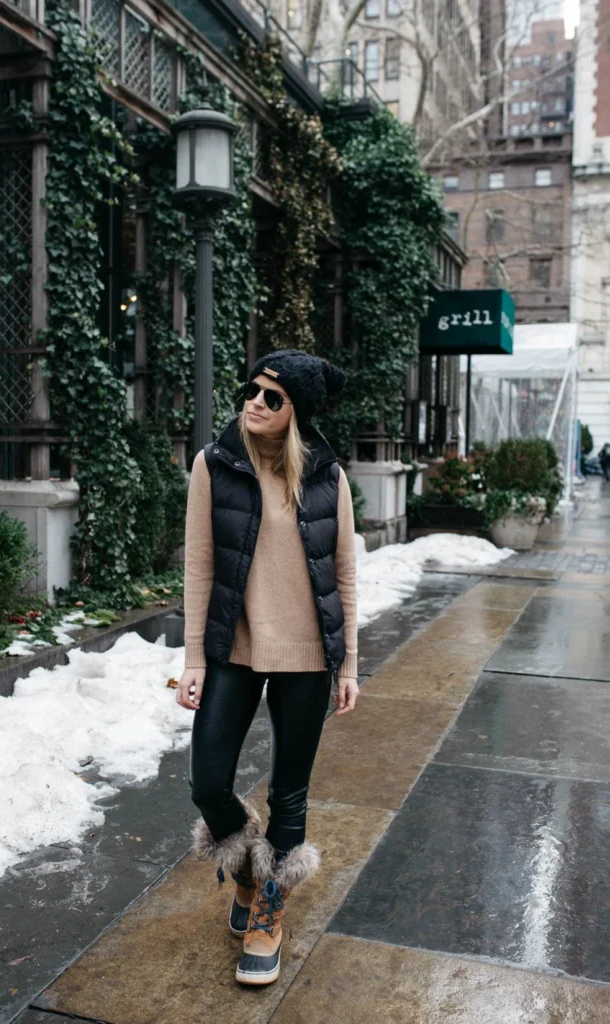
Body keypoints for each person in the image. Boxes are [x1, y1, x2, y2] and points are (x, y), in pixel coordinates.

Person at [176, 349, 359, 987]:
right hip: (235, 645)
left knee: (290, 793)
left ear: (296, 413)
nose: (255, 402)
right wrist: (194, 656)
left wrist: (348, 664)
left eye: (272, 397)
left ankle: (267, 914)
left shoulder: (327, 477)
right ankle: (252, 867)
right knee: (206, 780)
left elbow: (343, 574)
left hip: (308, 654)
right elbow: (199, 567)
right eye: (252, 390)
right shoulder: (214, 464)